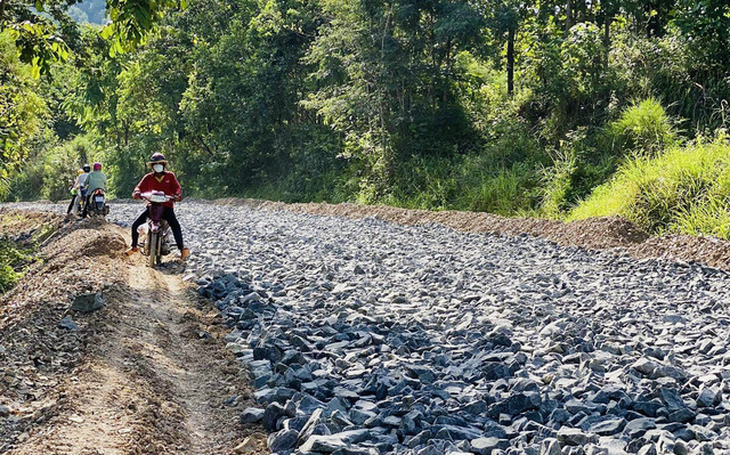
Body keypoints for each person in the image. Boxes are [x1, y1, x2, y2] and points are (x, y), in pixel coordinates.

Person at [125, 153, 190, 261]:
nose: (158, 165)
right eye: (155, 164)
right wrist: (137, 192)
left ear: (164, 165)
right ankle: (134, 247)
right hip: (152, 207)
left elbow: (177, 188)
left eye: (160, 163)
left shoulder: (170, 176)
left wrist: (177, 195)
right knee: (136, 224)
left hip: (166, 207)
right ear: (152, 166)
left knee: (175, 225)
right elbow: (139, 187)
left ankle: (182, 249)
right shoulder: (148, 177)